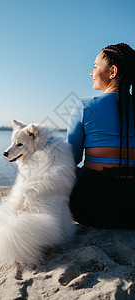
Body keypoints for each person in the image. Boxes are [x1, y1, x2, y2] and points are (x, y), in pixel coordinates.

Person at [68, 42, 135, 229]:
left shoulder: (84, 106)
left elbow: (70, 159)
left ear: (112, 72)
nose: (91, 73)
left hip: (91, 208)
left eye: (95, 67)